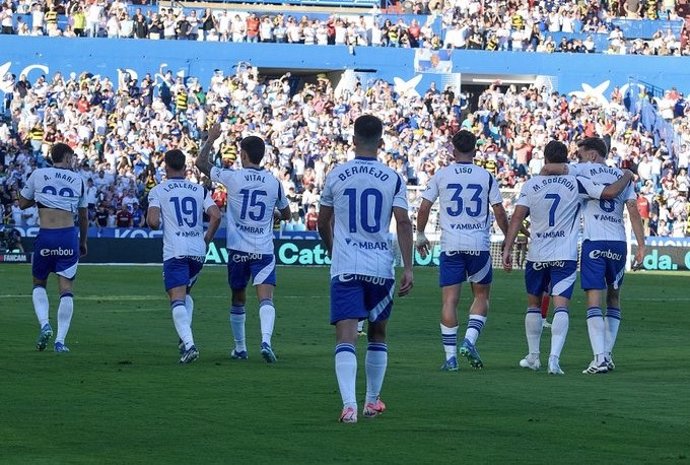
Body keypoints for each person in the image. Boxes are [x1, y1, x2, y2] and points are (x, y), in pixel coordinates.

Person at [501, 140, 633, 375]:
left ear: (545, 158)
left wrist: (508, 248)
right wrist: (628, 174)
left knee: (533, 305)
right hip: (565, 254)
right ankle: (554, 360)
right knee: (561, 306)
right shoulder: (576, 182)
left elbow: (517, 218)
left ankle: (533, 356)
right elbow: (610, 192)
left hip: (537, 254)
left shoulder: (532, 185)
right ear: (565, 159)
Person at [317, 115, 414, 424]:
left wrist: (333, 249)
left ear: (354, 140)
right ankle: (372, 401)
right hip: (380, 267)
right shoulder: (393, 178)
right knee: (378, 332)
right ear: (381, 142)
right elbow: (403, 222)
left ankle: (349, 406)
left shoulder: (337, 175)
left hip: (346, 265)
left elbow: (322, 221)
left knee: (345, 334)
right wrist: (409, 267)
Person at [545, 137, 645, 373]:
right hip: (619, 243)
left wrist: (549, 170)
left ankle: (599, 357)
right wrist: (641, 245)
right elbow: (632, 210)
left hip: (594, 242)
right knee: (614, 297)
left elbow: (552, 168)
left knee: (593, 300)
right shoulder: (621, 176)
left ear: (591, 155)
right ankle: (607, 355)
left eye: (580, 154)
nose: (576, 158)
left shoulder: (584, 169)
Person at [196, 124, 291, 363]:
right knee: (266, 298)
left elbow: (201, 163)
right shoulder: (274, 182)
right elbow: (286, 214)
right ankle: (266, 341)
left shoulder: (233, 177)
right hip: (263, 250)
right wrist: (275, 215)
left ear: (243, 155)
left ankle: (240, 348)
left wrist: (212, 139)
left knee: (238, 298)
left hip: (238, 248)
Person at [415, 130, 508, 371]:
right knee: (481, 296)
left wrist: (421, 234)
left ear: (453, 151)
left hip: (451, 245)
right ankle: (469, 340)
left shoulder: (442, 175)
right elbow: (498, 211)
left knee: (449, 301)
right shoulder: (486, 176)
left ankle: (450, 358)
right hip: (478, 245)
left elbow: (424, 207)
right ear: (475, 152)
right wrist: (508, 236)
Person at [147, 148, 221, 363]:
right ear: (185, 167)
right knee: (185, 292)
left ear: (166, 166)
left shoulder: (159, 190)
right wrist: (206, 240)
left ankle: (189, 345)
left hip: (175, 251)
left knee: (176, 297)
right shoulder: (199, 190)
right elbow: (216, 216)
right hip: (197, 252)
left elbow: (152, 222)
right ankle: (184, 337)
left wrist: (157, 219)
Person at [18, 143, 88, 353]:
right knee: (66, 290)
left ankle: (44, 324)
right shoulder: (78, 180)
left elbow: (21, 203)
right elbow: (84, 215)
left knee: (39, 283)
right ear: (66, 157)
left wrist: (37, 198)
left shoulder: (38, 174)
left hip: (46, 235)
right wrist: (82, 241)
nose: (73, 161)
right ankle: (60, 341)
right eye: (72, 157)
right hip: (68, 236)